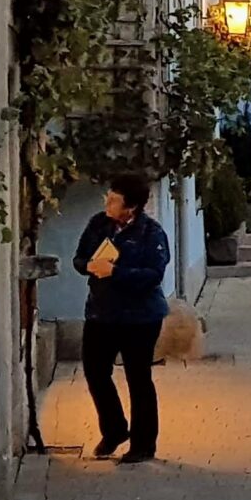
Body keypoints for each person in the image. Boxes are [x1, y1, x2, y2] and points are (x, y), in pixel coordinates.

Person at [74, 172, 172, 463]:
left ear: (131, 208)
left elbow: (154, 275)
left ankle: (143, 445)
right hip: (101, 313)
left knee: (138, 377)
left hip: (140, 318)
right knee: (95, 371)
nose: (108, 201)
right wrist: (89, 266)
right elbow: (79, 258)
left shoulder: (150, 233)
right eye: (109, 196)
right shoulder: (98, 224)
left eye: (114, 199)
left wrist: (116, 273)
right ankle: (115, 429)